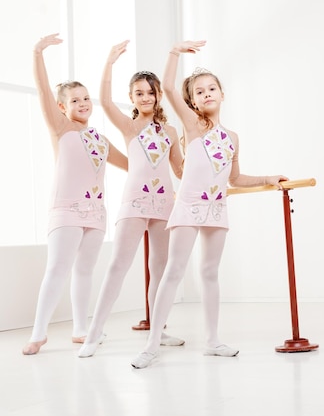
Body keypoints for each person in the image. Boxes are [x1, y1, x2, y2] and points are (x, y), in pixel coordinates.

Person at [130, 40, 288, 369]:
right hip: (188, 206)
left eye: (211, 88)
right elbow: (169, 86)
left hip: (216, 208)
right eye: (199, 92)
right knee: (173, 271)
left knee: (210, 273)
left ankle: (213, 340)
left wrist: (267, 179)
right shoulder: (192, 126)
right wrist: (174, 53)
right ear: (192, 102)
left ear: (222, 93)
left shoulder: (232, 137)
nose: (206, 94)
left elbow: (235, 178)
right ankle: (153, 342)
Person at [78, 41, 187, 358]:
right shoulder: (128, 125)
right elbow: (104, 102)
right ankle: (94, 333)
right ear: (131, 98)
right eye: (139, 93)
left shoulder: (169, 130)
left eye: (150, 92)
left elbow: (179, 167)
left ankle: (158, 328)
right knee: (117, 266)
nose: (145, 98)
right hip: (135, 202)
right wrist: (109, 62)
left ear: (158, 95)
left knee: (160, 269)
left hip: (165, 204)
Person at [23, 34, 127, 355]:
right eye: (75, 100)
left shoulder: (99, 137)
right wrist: (38, 52)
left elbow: (129, 164)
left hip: (96, 213)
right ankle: (38, 333)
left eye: (86, 99)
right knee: (57, 268)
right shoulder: (61, 127)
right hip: (66, 209)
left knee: (84, 270)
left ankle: (81, 328)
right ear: (62, 107)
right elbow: (42, 89)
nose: (83, 104)